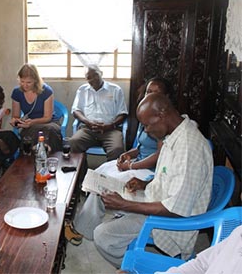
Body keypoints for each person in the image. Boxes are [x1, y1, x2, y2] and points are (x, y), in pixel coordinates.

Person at [70, 93, 213, 268]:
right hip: (154, 199)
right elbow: (170, 177)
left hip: (169, 222)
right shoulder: (175, 134)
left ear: (161, 114)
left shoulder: (189, 147)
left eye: (146, 125)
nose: (145, 130)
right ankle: (82, 232)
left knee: (104, 236)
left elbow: (175, 209)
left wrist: (124, 205)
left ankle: (136, 269)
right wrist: (144, 184)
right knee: (102, 192)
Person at [66, 77, 173, 246]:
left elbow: (160, 155)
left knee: (106, 185)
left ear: (165, 98)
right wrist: (128, 154)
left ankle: (84, 227)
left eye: (155, 93)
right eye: (148, 92)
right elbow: (141, 145)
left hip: (149, 172)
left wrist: (130, 165)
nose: (150, 96)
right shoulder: (146, 113)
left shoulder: (161, 120)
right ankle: (85, 225)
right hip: (138, 162)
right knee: (100, 174)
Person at [70, 65, 128, 160]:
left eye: (95, 75)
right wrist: (88, 122)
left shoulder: (115, 90)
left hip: (110, 130)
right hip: (88, 129)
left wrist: (110, 125)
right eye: (89, 77)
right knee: (73, 142)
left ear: (101, 73)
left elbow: (122, 113)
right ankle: (81, 173)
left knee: (117, 149)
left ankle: (109, 174)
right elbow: (76, 110)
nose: (93, 79)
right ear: (86, 79)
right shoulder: (82, 90)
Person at [10, 63, 62, 152]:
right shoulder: (17, 92)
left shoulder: (46, 91)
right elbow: (16, 115)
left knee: (48, 130)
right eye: (22, 82)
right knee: (30, 135)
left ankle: (47, 154)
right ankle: (32, 157)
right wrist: (15, 121)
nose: (25, 85)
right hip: (29, 124)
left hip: (49, 122)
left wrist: (32, 122)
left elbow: (47, 117)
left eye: (28, 82)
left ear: (35, 80)